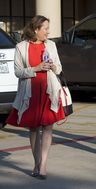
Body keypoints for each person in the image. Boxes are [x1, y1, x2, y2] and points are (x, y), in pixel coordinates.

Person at [6, 15, 65, 180]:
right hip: (30, 92)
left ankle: (43, 165)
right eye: (45, 28)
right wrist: (36, 68)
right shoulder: (21, 47)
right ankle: (37, 162)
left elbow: (59, 69)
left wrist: (53, 66)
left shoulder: (51, 45)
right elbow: (18, 72)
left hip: (48, 91)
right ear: (35, 30)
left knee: (47, 127)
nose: (48, 31)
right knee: (33, 129)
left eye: (48, 28)